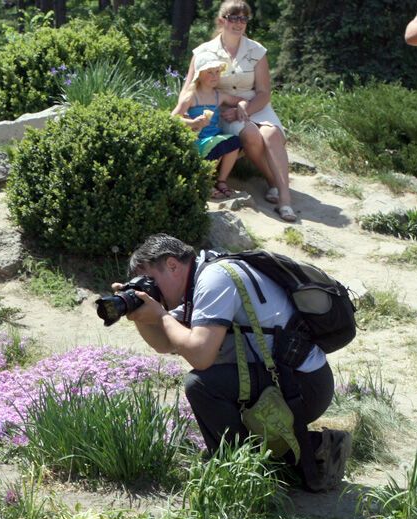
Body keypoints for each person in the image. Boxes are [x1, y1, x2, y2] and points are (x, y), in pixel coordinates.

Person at [118, 234, 351, 491]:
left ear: (172, 264)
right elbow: (165, 343)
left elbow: (200, 355)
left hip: (303, 387)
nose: (150, 289)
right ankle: (316, 448)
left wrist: (160, 315)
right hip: (288, 380)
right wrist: (138, 313)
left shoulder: (214, 278)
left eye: (149, 280)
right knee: (212, 383)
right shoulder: (203, 276)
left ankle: (241, 474)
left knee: (202, 385)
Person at [181, 0, 297, 222]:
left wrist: (244, 109)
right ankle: (273, 181)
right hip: (221, 108)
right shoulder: (204, 51)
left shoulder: (256, 51)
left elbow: (264, 92)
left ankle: (285, 198)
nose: (239, 23)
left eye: (243, 18)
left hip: (255, 105)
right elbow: (188, 88)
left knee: (271, 134)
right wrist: (185, 113)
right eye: (233, 18)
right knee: (251, 135)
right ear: (221, 20)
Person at [172, 52, 246, 199]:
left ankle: (221, 180)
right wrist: (192, 122)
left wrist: (241, 106)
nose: (214, 76)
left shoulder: (218, 95)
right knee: (218, 145)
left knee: (234, 142)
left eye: (217, 72)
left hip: (214, 137)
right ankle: (205, 181)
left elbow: (240, 100)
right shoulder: (191, 96)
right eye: (210, 72)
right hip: (198, 139)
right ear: (199, 74)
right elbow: (173, 118)